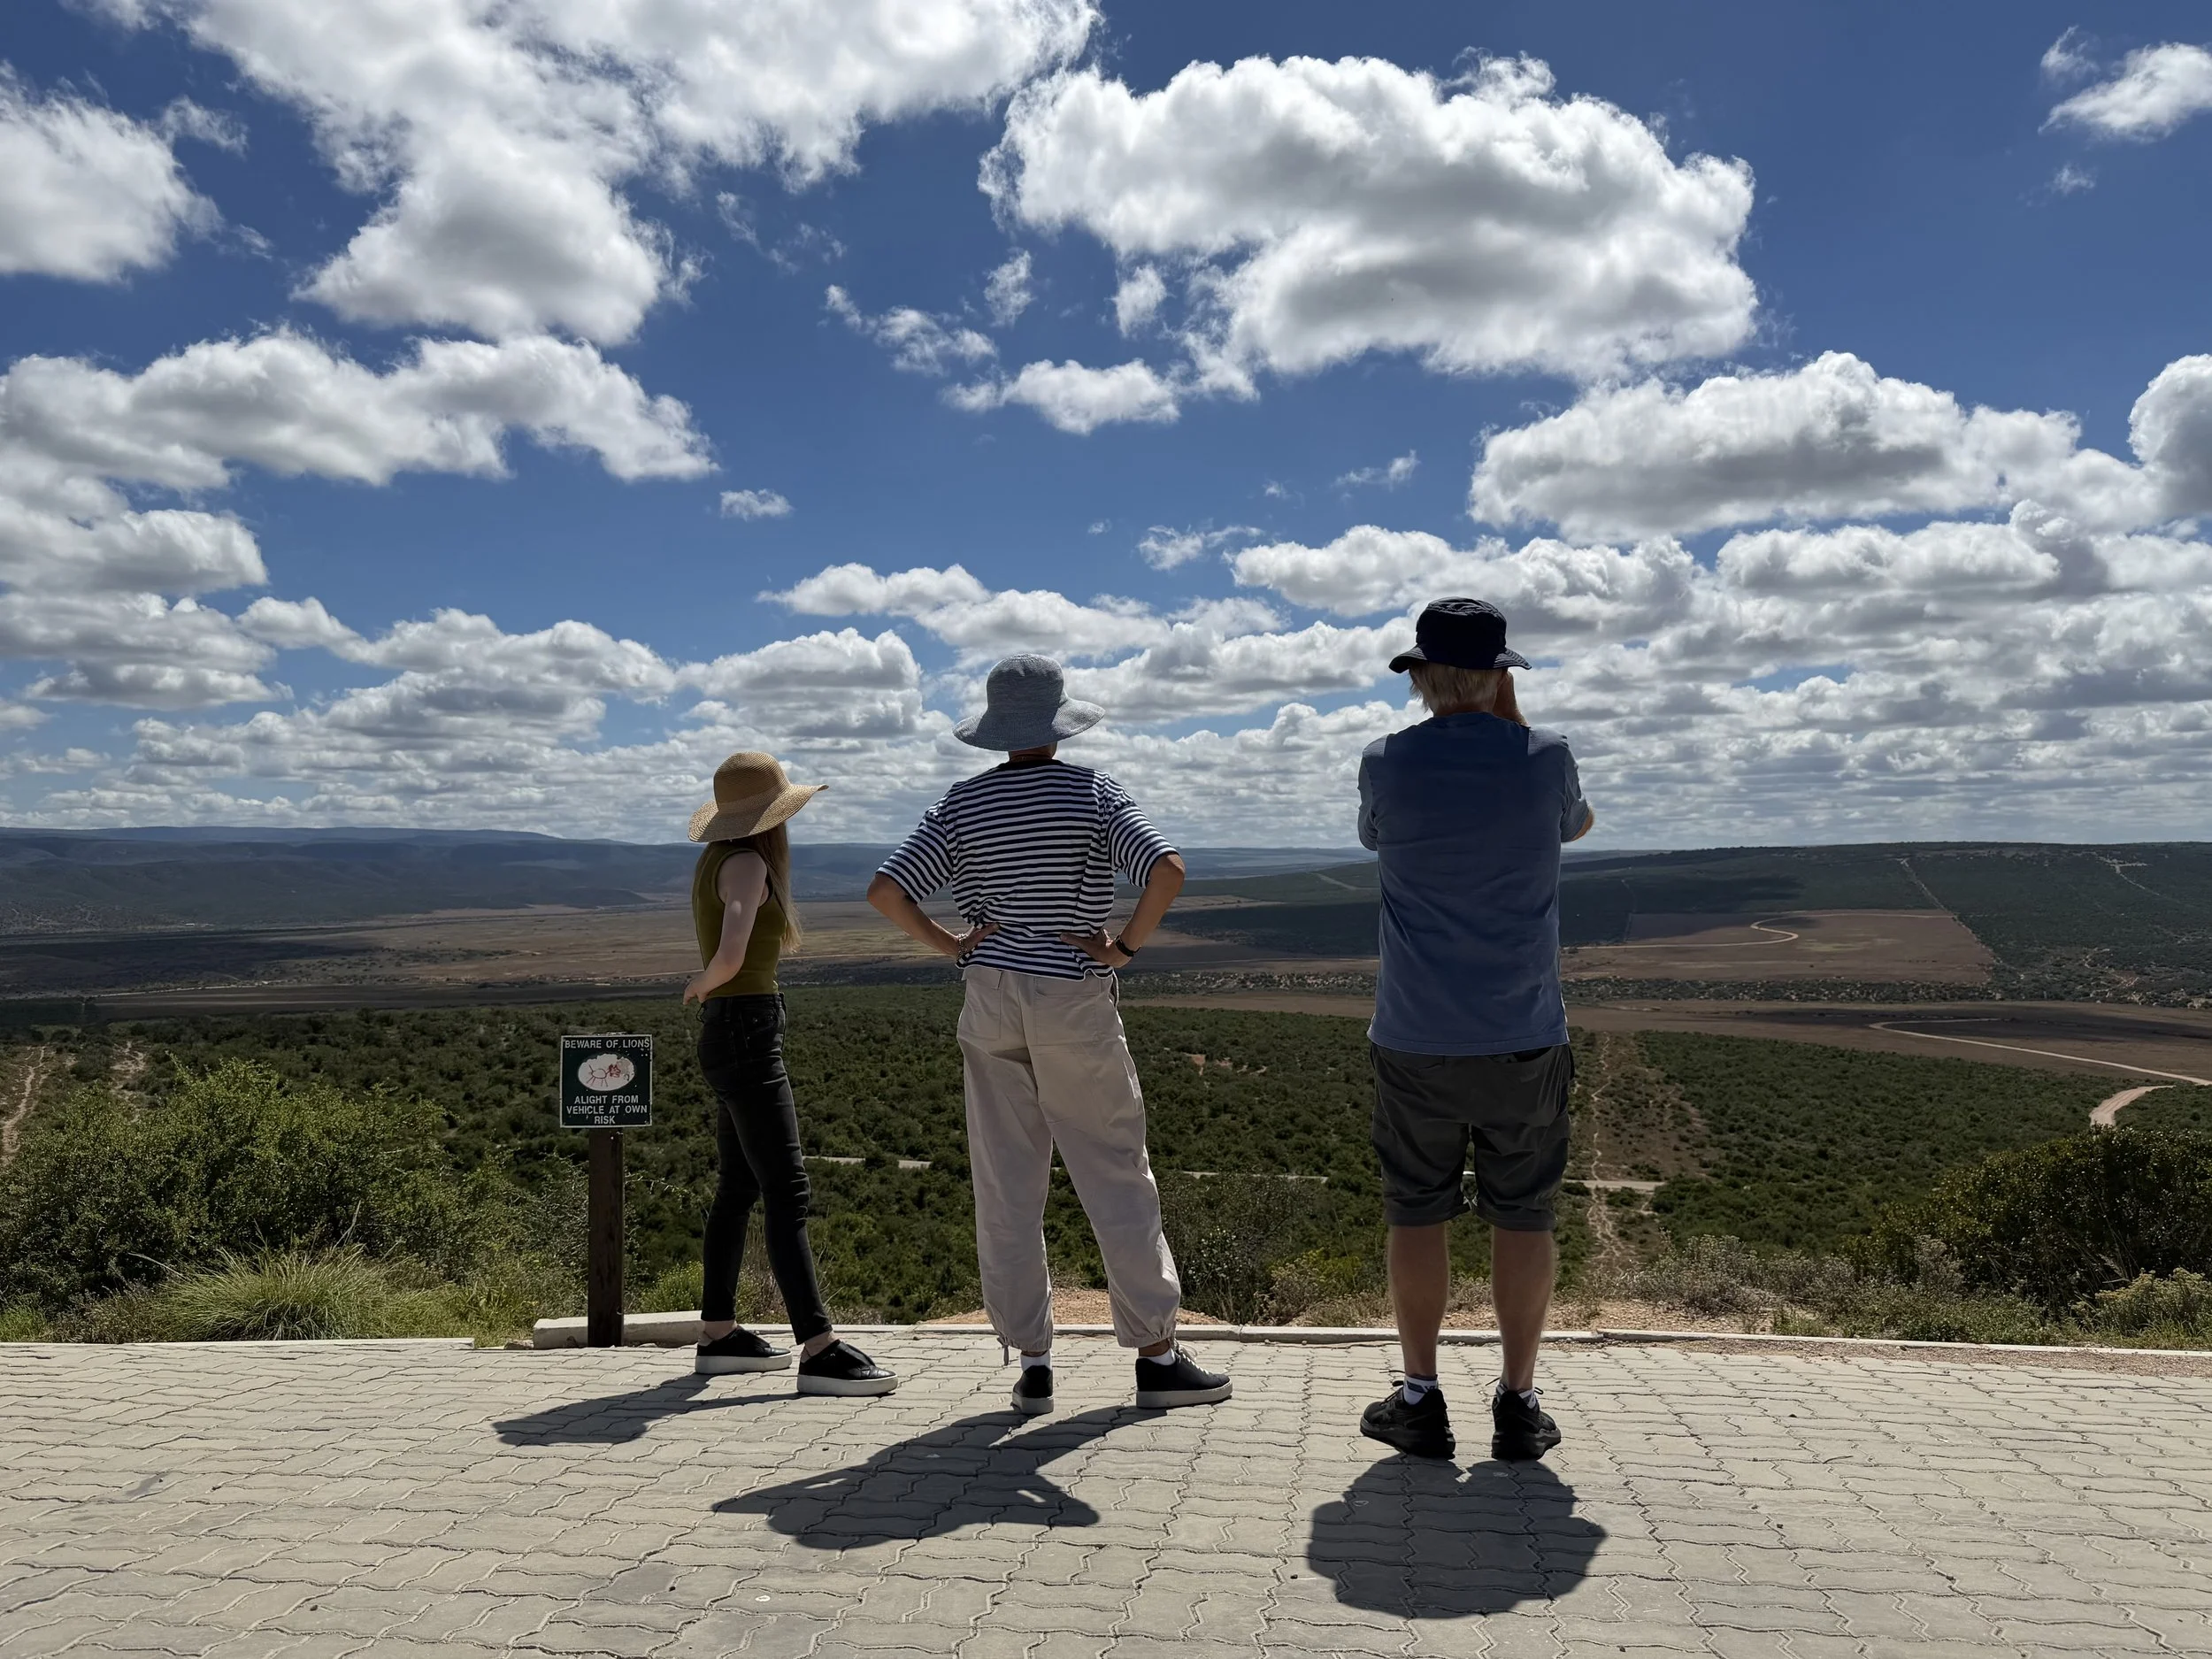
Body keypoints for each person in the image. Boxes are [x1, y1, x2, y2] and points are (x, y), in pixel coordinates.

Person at [866, 653, 1231, 1417]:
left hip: (990, 993)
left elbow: (886, 890)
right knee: (1112, 1169)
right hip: (1071, 989)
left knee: (1007, 1180)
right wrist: (1124, 946)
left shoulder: (963, 803)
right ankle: (1157, 1357)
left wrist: (951, 944)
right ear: (1059, 722)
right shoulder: (1092, 791)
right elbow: (1165, 868)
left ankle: (1032, 1361)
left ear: (998, 730)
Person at [1353, 599, 1594, 1463]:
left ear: (1418, 675)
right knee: (1522, 1217)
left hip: (1414, 1031)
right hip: (1524, 1030)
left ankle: (1419, 1400)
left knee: (1415, 1214)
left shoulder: (1385, 761)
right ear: (1501, 674)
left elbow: (1374, 836)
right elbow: (1577, 824)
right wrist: (1511, 721)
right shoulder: (1547, 759)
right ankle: (1518, 1404)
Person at [682, 751, 896, 1397]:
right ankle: (819, 1345)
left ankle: (719, 1332)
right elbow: (732, 952)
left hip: (732, 1029)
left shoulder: (715, 861)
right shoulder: (749, 863)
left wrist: (710, 988)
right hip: (746, 1027)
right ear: (770, 817)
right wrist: (701, 983)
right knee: (788, 1188)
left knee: (738, 1186)